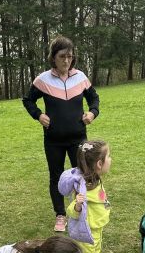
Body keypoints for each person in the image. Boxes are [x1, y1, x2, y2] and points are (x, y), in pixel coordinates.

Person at [23, 36, 100, 232]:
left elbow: (94, 98)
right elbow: (28, 100)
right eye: (62, 56)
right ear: (53, 57)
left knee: (83, 173)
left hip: (78, 138)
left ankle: (82, 208)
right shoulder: (43, 80)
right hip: (53, 140)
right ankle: (60, 215)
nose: (66, 61)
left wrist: (92, 112)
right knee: (56, 176)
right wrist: (38, 115)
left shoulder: (81, 77)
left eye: (70, 57)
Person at [58, 140, 111, 253]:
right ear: (99, 164)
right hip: (86, 233)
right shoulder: (83, 187)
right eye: (109, 156)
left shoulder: (94, 178)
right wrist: (78, 206)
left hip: (97, 229)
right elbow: (71, 211)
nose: (111, 160)